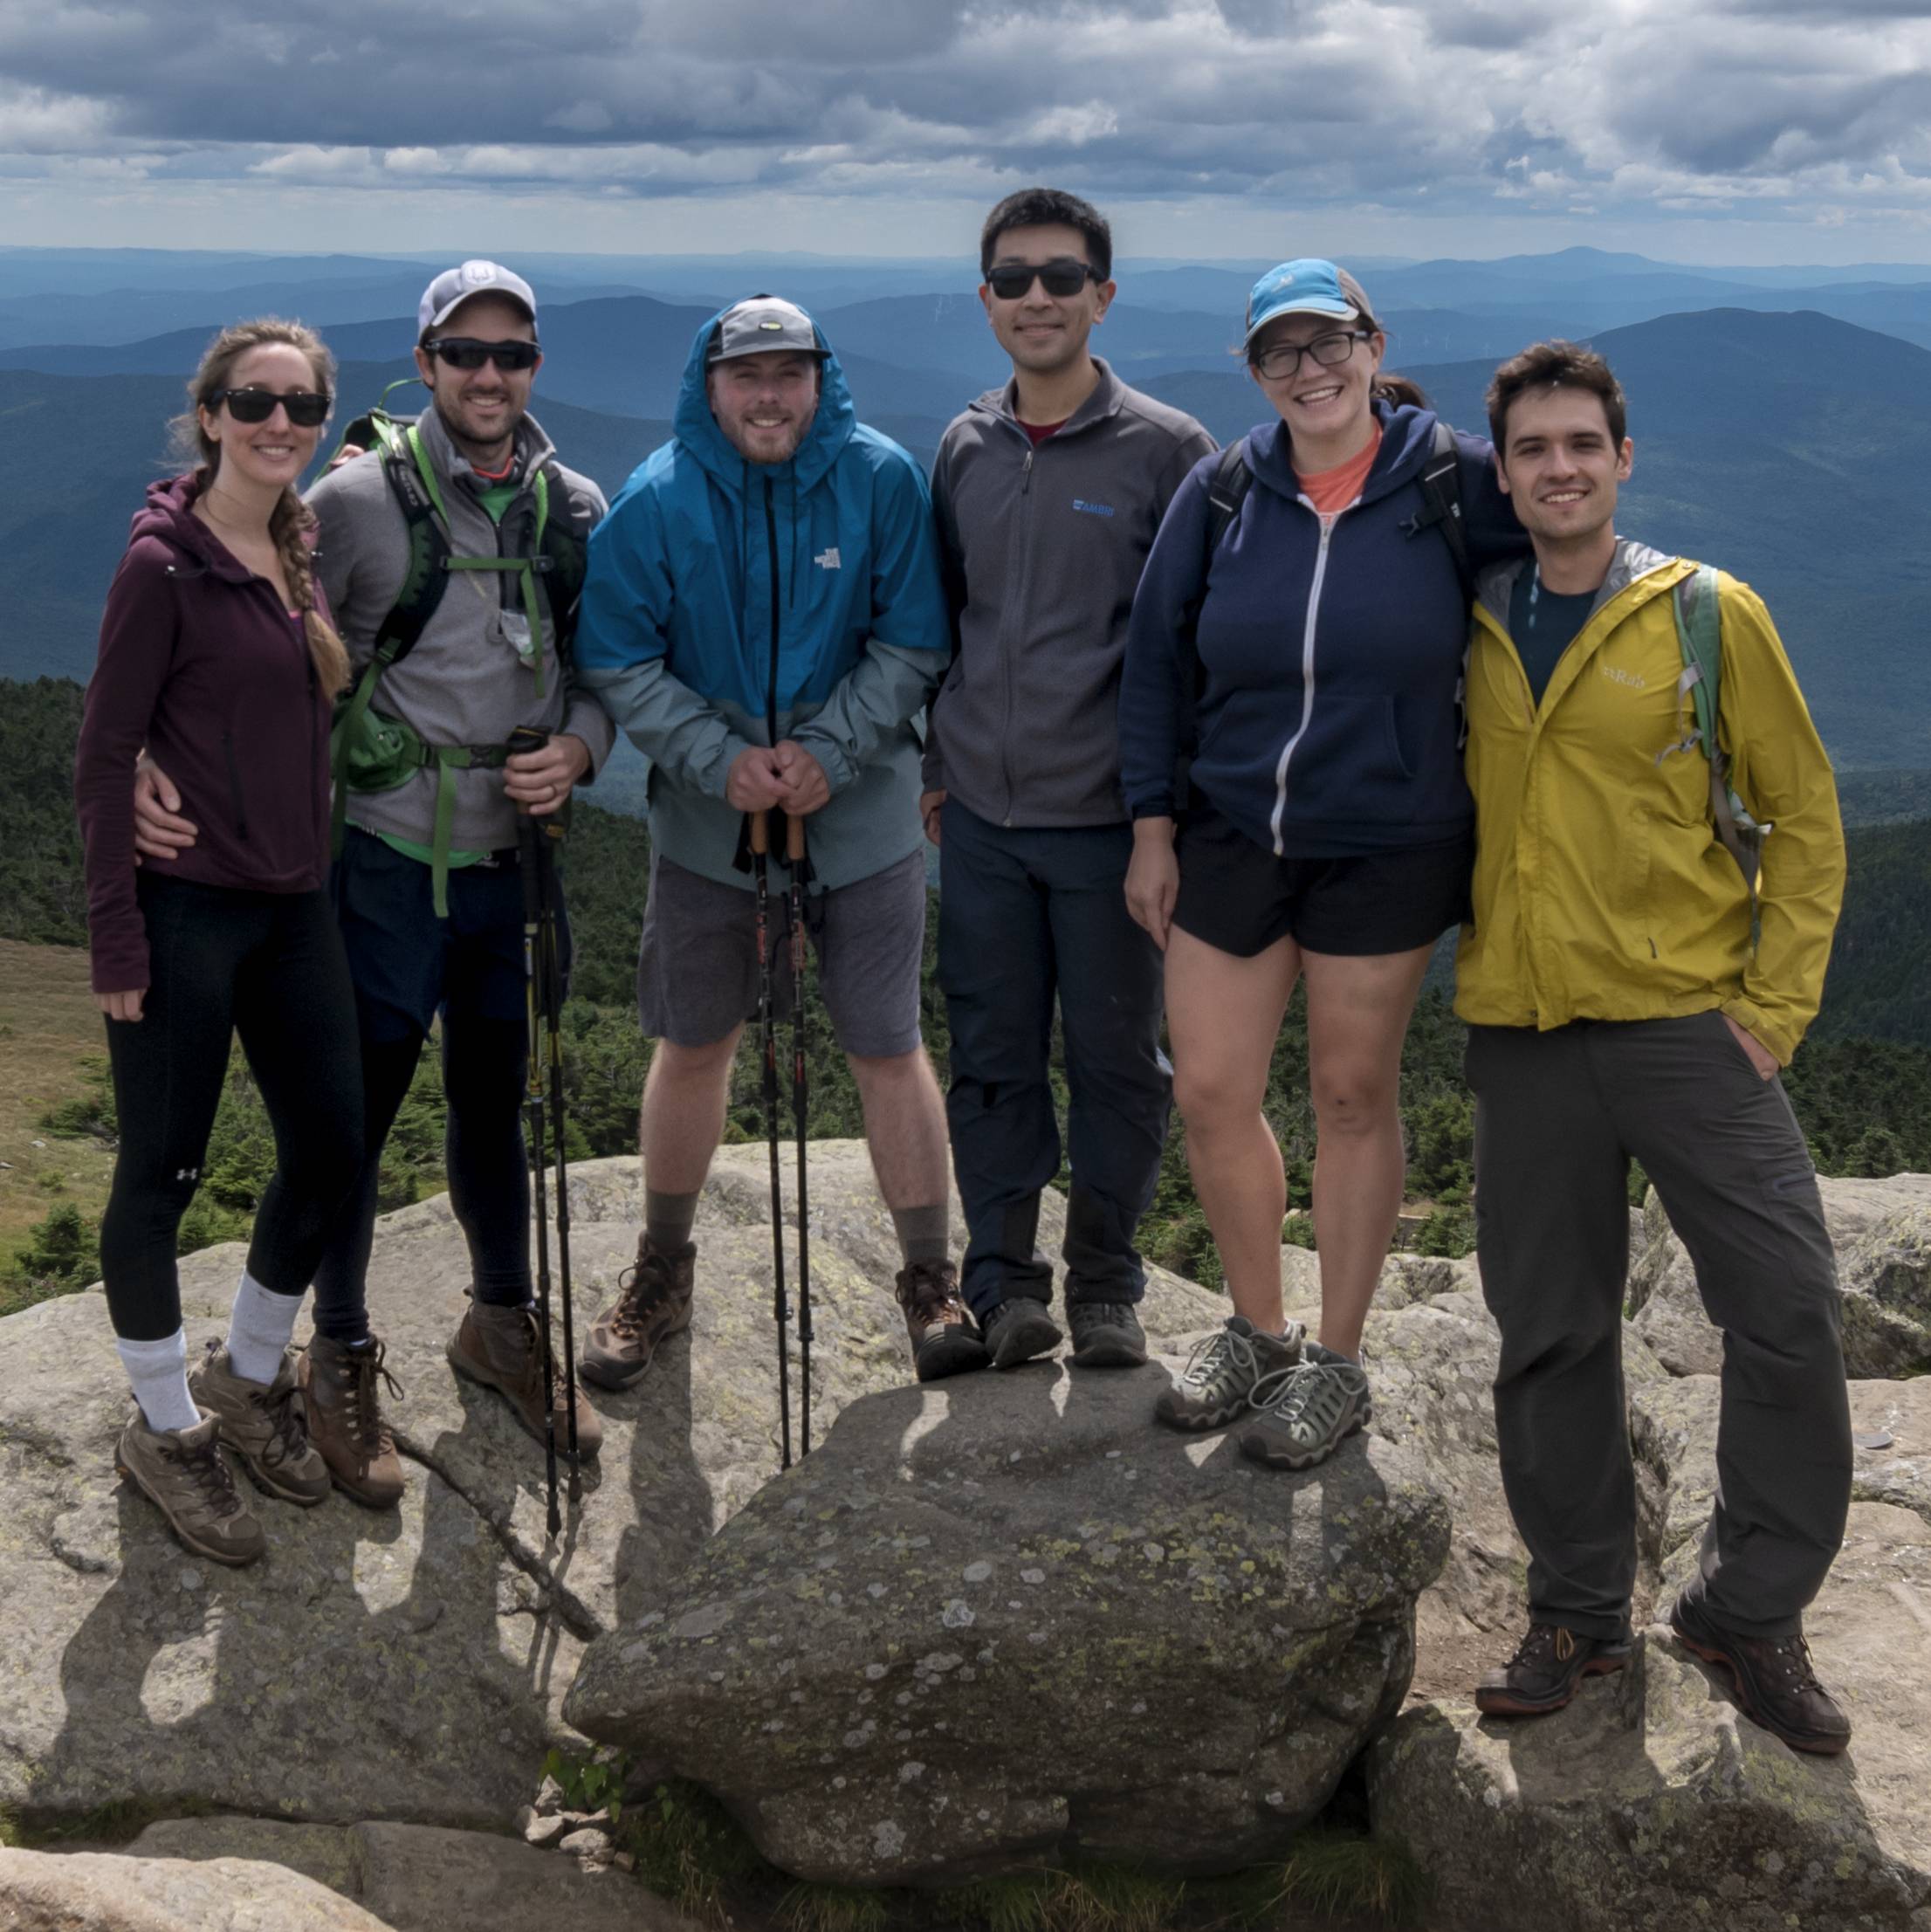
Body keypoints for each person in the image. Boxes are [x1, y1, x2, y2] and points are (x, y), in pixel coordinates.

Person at [133, 262, 613, 1495]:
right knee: (352, 1123)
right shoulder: (351, 503)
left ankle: (500, 1319)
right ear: (428, 362)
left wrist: (581, 748)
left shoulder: (570, 511)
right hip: (383, 857)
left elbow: (605, 671)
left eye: (512, 354)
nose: (489, 374)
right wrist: (145, 748)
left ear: (535, 367)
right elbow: (237, 620)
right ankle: (336, 1353)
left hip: (511, 857)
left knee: (494, 1100)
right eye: (465, 354)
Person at [1460, 340, 1852, 1753]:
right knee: (1549, 1333)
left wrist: (1771, 1014)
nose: (1557, 467)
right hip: (1524, 1028)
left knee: (1789, 1307)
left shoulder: (1705, 613)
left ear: (1624, 460)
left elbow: (1800, 817)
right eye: (1531, 449)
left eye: (1581, 443)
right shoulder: (1479, 620)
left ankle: (1748, 1605)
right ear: (1501, 474)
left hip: (1690, 1024)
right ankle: (1575, 1611)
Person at [1119, 259, 1528, 1468]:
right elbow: (1154, 662)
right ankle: (1258, 1324)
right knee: (1209, 1087)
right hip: (1233, 828)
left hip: (1389, 838)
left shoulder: (1454, 479)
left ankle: (1337, 1361)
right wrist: (1152, 826)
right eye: (1281, 353)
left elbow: (1575, 539)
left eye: (1329, 342)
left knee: (1354, 1093)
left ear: (1374, 343)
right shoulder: (1226, 487)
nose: (1310, 369)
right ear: (1255, 371)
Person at [572, 295, 953, 1392]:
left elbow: (914, 632)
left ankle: (932, 1278)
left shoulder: (880, 479)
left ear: (821, 380)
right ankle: (661, 1263)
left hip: (865, 822)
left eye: (790, 373)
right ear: (711, 385)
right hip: (707, 834)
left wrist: (829, 747)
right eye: (748, 376)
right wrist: (718, 759)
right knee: (695, 1041)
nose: (770, 394)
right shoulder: (655, 500)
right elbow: (619, 655)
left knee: (887, 1041)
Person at [77, 320, 363, 1564]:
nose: (278, 423)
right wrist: (116, 946)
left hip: (295, 904)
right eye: (254, 401)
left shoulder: (296, 539)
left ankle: (250, 1377)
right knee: (163, 1169)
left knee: (332, 1148)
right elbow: (99, 756)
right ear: (209, 415)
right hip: (186, 910)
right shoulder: (164, 565)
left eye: (300, 406)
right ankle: (163, 1427)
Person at [921, 188, 1213, 1378]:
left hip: (1108, 825)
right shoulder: (964, 446)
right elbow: (944, 619)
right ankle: (1003, 1285)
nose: (1034, 296)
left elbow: (1192, 654)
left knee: (1113, 1061)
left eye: (1058, 276)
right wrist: (938, 768)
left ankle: (1105, 1288)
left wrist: (1162, 826)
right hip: (983, 819)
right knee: (992, 1054)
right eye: (1012, 278)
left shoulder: (1168, 451)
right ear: (985, 298)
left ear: (1102, 294)